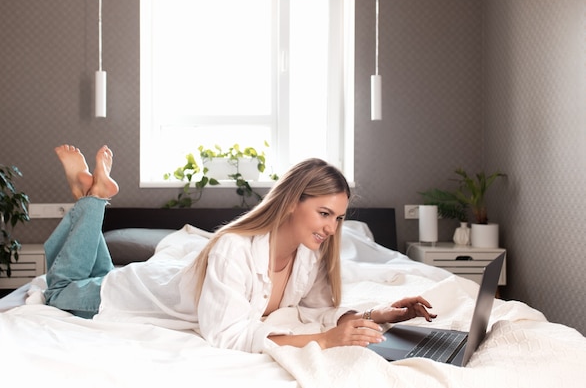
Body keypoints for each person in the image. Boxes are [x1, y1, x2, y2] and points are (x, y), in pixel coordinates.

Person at [44, 144, 437, 353]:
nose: (331, 228)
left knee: (95, 270)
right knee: (59, 290)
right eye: (323, 213)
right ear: (292, 202)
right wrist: (325, 342)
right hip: (133, 295)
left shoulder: (309, 254)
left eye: (337, 218)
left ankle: (86, 194)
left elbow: (318, 314)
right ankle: (93, 199)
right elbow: (227, 338)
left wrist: (379, 314)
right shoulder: (234, 248)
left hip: (146, 283)